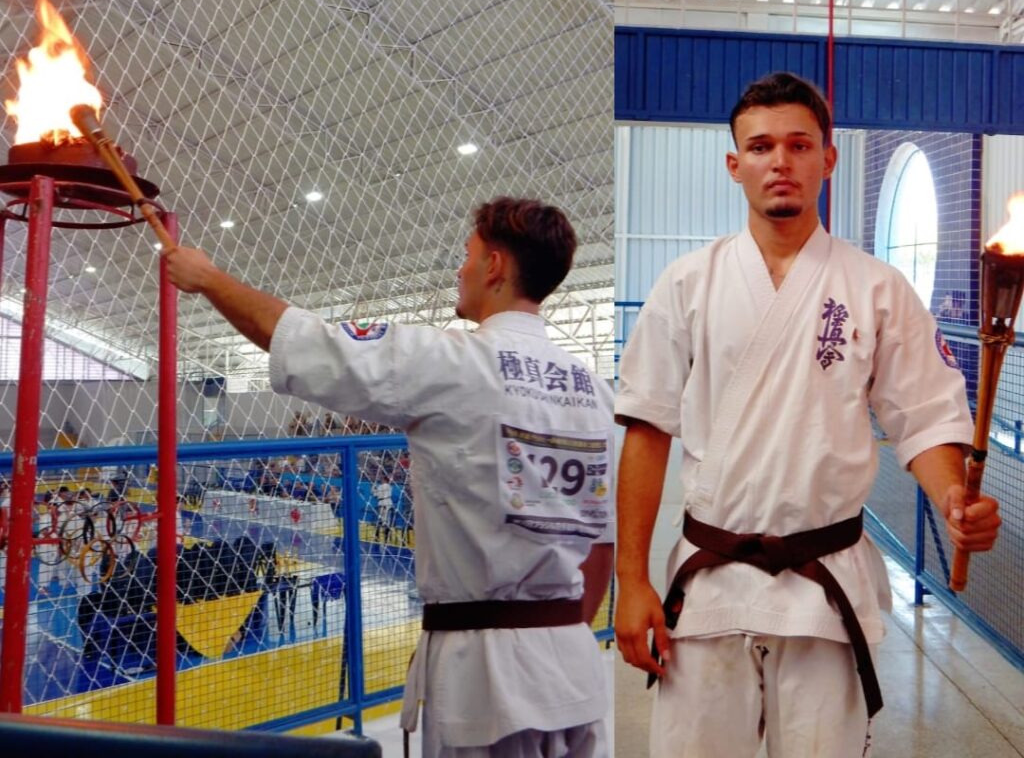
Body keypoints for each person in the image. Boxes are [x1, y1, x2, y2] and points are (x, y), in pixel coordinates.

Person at [614, 73, 1001, 758]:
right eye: (761, 147)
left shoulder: (877, 289)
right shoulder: (686, 284)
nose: (781, 161)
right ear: (735, 166)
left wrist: (950, 496)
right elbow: (646, 430)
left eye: (799, 144)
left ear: (829, 158)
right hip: (709, 587)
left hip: (827, 592)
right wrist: (633, 579)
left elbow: (926, 418)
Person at [166, 196, 615, 757]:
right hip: (574, 664)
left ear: (496, 266)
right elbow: (601, 549)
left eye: (468, 255)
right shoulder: (595, 392)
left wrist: (209, 279)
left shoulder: (449, 361)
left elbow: (307, 345)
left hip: (486, 676)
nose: (460, 269)